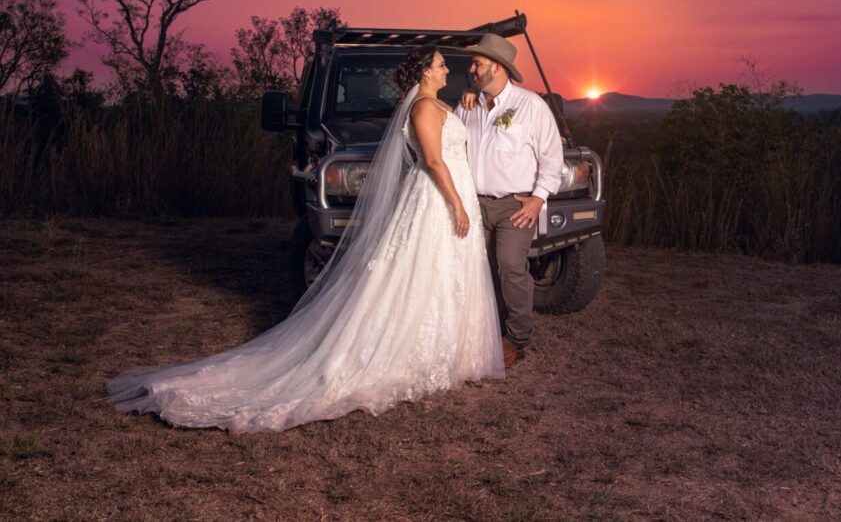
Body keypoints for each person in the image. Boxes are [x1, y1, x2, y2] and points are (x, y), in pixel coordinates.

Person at [106, 47, 505, 433]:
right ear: (424, 72)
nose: (446, 70)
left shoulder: (438, 104)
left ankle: (448, 352)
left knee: (443, 273)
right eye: (439, 65)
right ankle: (408, 353)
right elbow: (433, 161)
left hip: (451, 194)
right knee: (419, 273)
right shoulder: (421, 106)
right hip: (438, 198)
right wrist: (456, 204)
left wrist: (469, 102)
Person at [455, 33, 563, 369]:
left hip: (513, 207)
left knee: (510, 265)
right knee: (482, 270)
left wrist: (537, 200)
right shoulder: (467, 106)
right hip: (473, 204)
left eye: (478, 63)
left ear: (498, 67)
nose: (471, 68)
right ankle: (491, 331)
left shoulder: (531, 107)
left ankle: (517, 338)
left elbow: (552, 160)